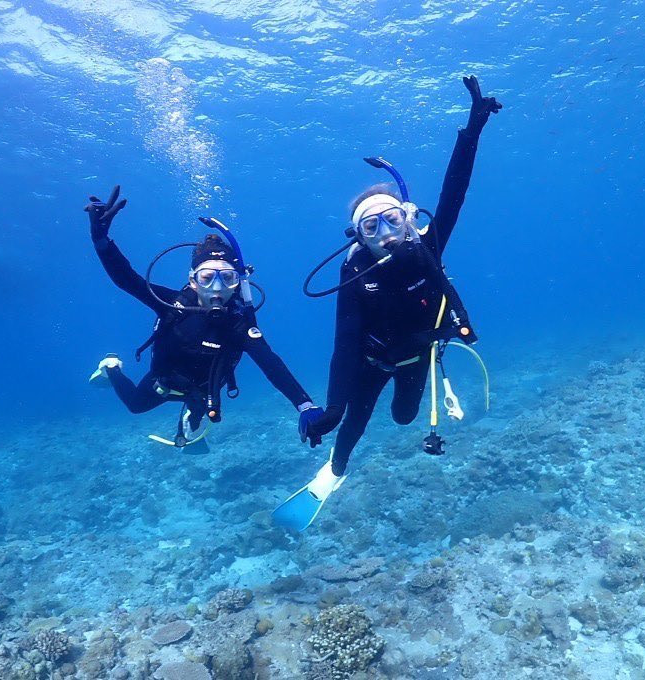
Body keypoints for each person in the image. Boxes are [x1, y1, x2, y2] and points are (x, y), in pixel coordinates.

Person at [273, 75, 501, 530]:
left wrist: (471, 130)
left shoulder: (427, 247)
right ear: (358, 238)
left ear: (409, 220)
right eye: (370, 228)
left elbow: (454, 191)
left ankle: (395, 413)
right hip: (372, 362)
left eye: (392, 220)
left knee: (402, 419)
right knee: (351, 424)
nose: (386, 234)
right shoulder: (355, 274)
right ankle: (334, 472)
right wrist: (330, 411)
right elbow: (343, 344)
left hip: (418, 357)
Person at [85, 186, 325, 451]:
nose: (217, 288)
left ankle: (192, 413)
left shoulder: (239, 323)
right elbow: (126, 280)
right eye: (207, 278)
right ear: (193, 281)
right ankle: (110, 368)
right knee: (135, 405)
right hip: (163, 382)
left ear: (238, 282)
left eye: (228, 278)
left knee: (200, 411)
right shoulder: (172, 305)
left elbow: (271, 364)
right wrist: (102, 241)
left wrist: (305, 405)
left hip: (204, 390)